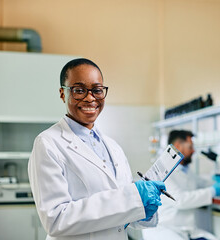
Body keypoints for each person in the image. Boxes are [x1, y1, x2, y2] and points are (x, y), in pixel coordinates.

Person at [28, 58, 165, 240]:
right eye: (79, 90)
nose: (90, 97)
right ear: (63, 94)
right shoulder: (47, 143)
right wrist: (132, 198)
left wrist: (144, 209)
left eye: (97, 90)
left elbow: (124, 214)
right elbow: (55, 219)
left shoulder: (113, 147)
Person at [142, 130, 220, 240]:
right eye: (190, 147)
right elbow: (179, 200)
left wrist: (218, 181)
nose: (193, 151)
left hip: (184, 230)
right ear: (178, 146)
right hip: (164, 230)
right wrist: (213, 191)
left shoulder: (185, 170)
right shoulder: (162, 171)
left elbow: (200, 182)